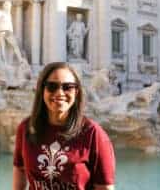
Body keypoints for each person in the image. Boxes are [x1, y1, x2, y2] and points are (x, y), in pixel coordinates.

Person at [13, 62, 115, 190]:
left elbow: (104, 187)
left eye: (68, 87)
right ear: (42, 90)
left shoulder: (93, 134)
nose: (60, 93)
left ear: (76, 92)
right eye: (52, 86)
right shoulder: (26, 128)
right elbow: (20, 168)